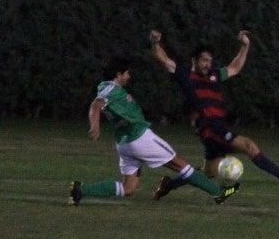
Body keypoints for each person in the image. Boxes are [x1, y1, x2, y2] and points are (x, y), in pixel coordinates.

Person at [147, 29, 279, 198]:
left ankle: (169, 184)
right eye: (204, 60)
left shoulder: (214, 76)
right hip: (209, 127)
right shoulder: (186, 75)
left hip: (213, 129)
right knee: (248, 145)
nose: (207, 64)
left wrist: (245, 46)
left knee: (209, 173)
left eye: (209, 61)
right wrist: (155, 43)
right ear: (194, 60)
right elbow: (164, 59)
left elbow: (235, 68)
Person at [69, 56, 238, 206]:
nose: (129, 77)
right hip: (140, 138)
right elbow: (96, 104)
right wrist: (95, 125)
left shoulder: (106, 88)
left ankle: (81, 190)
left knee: (128, 188)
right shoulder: (110, 89)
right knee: (181, 165)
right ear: (118, 75)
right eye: (126, 73)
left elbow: (100, 103)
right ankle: (219, 193)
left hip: (124, 143)